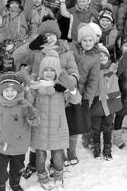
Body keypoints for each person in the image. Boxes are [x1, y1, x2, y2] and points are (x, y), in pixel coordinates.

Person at [28, 50, 79, 190]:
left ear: (57, 72)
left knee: (57, 156)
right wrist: (30, 88)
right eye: (46, 70)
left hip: (58, 127)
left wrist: (71, 87)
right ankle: (42, 177)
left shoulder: (61, 88)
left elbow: (76, 99)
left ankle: (58, 176)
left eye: (52, 70)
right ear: (41, 72)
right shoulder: (36, 87)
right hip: (40, 128)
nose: (49, 73)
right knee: (40, 156)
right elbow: (28, 104)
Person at [0, 72, 40, 191]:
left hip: (19, 145)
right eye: (6, 91)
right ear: (1, 92)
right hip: (1, 144)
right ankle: (0, 186)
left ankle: (14, 183)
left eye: (13, 90)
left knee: (17, 168)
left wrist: (31, 115)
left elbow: (35, 121)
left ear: (18, 91)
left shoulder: (24, 105)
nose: (9, 93)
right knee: (0, 170)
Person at [70, 24, 100, 162]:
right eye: (85, 40)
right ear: (80, 40)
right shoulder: (72, 50)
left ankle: (71, 152)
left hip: (79, 94)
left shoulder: (95, 57)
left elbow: (93, 81)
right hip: (64, 89)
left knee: (73, 125)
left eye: (90, 40)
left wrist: (87, 99)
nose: (87, 43)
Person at [90, 44, 122, 160]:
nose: (101, 57)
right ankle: (96, 148)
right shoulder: (92, 70)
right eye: (99, 55)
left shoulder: (114, 69)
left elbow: (124, 61)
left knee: (108, 127)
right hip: (96, 104)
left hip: (110, 104)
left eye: (104, 55)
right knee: (96, 128)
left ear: (108, 57)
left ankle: (107, 150)